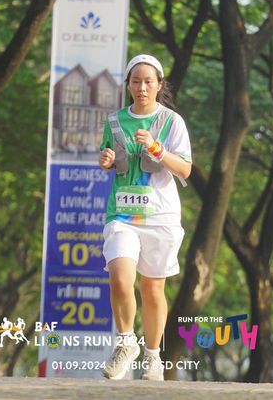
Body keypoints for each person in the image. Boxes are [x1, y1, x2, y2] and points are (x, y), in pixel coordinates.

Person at [98, 54, 192, 381]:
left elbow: (185, 169)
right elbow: (111, 159)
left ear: (159, 84)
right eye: (136, 81)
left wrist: (156, 148)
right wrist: (106, 160)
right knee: (120, 276)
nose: (142, 88)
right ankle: (126, 342)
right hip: (122, 213)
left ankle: (153, 356)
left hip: (160, 214)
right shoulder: (114, 121)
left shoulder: (171, 122)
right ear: (127, 85)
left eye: (148, 82)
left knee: (152, 288)